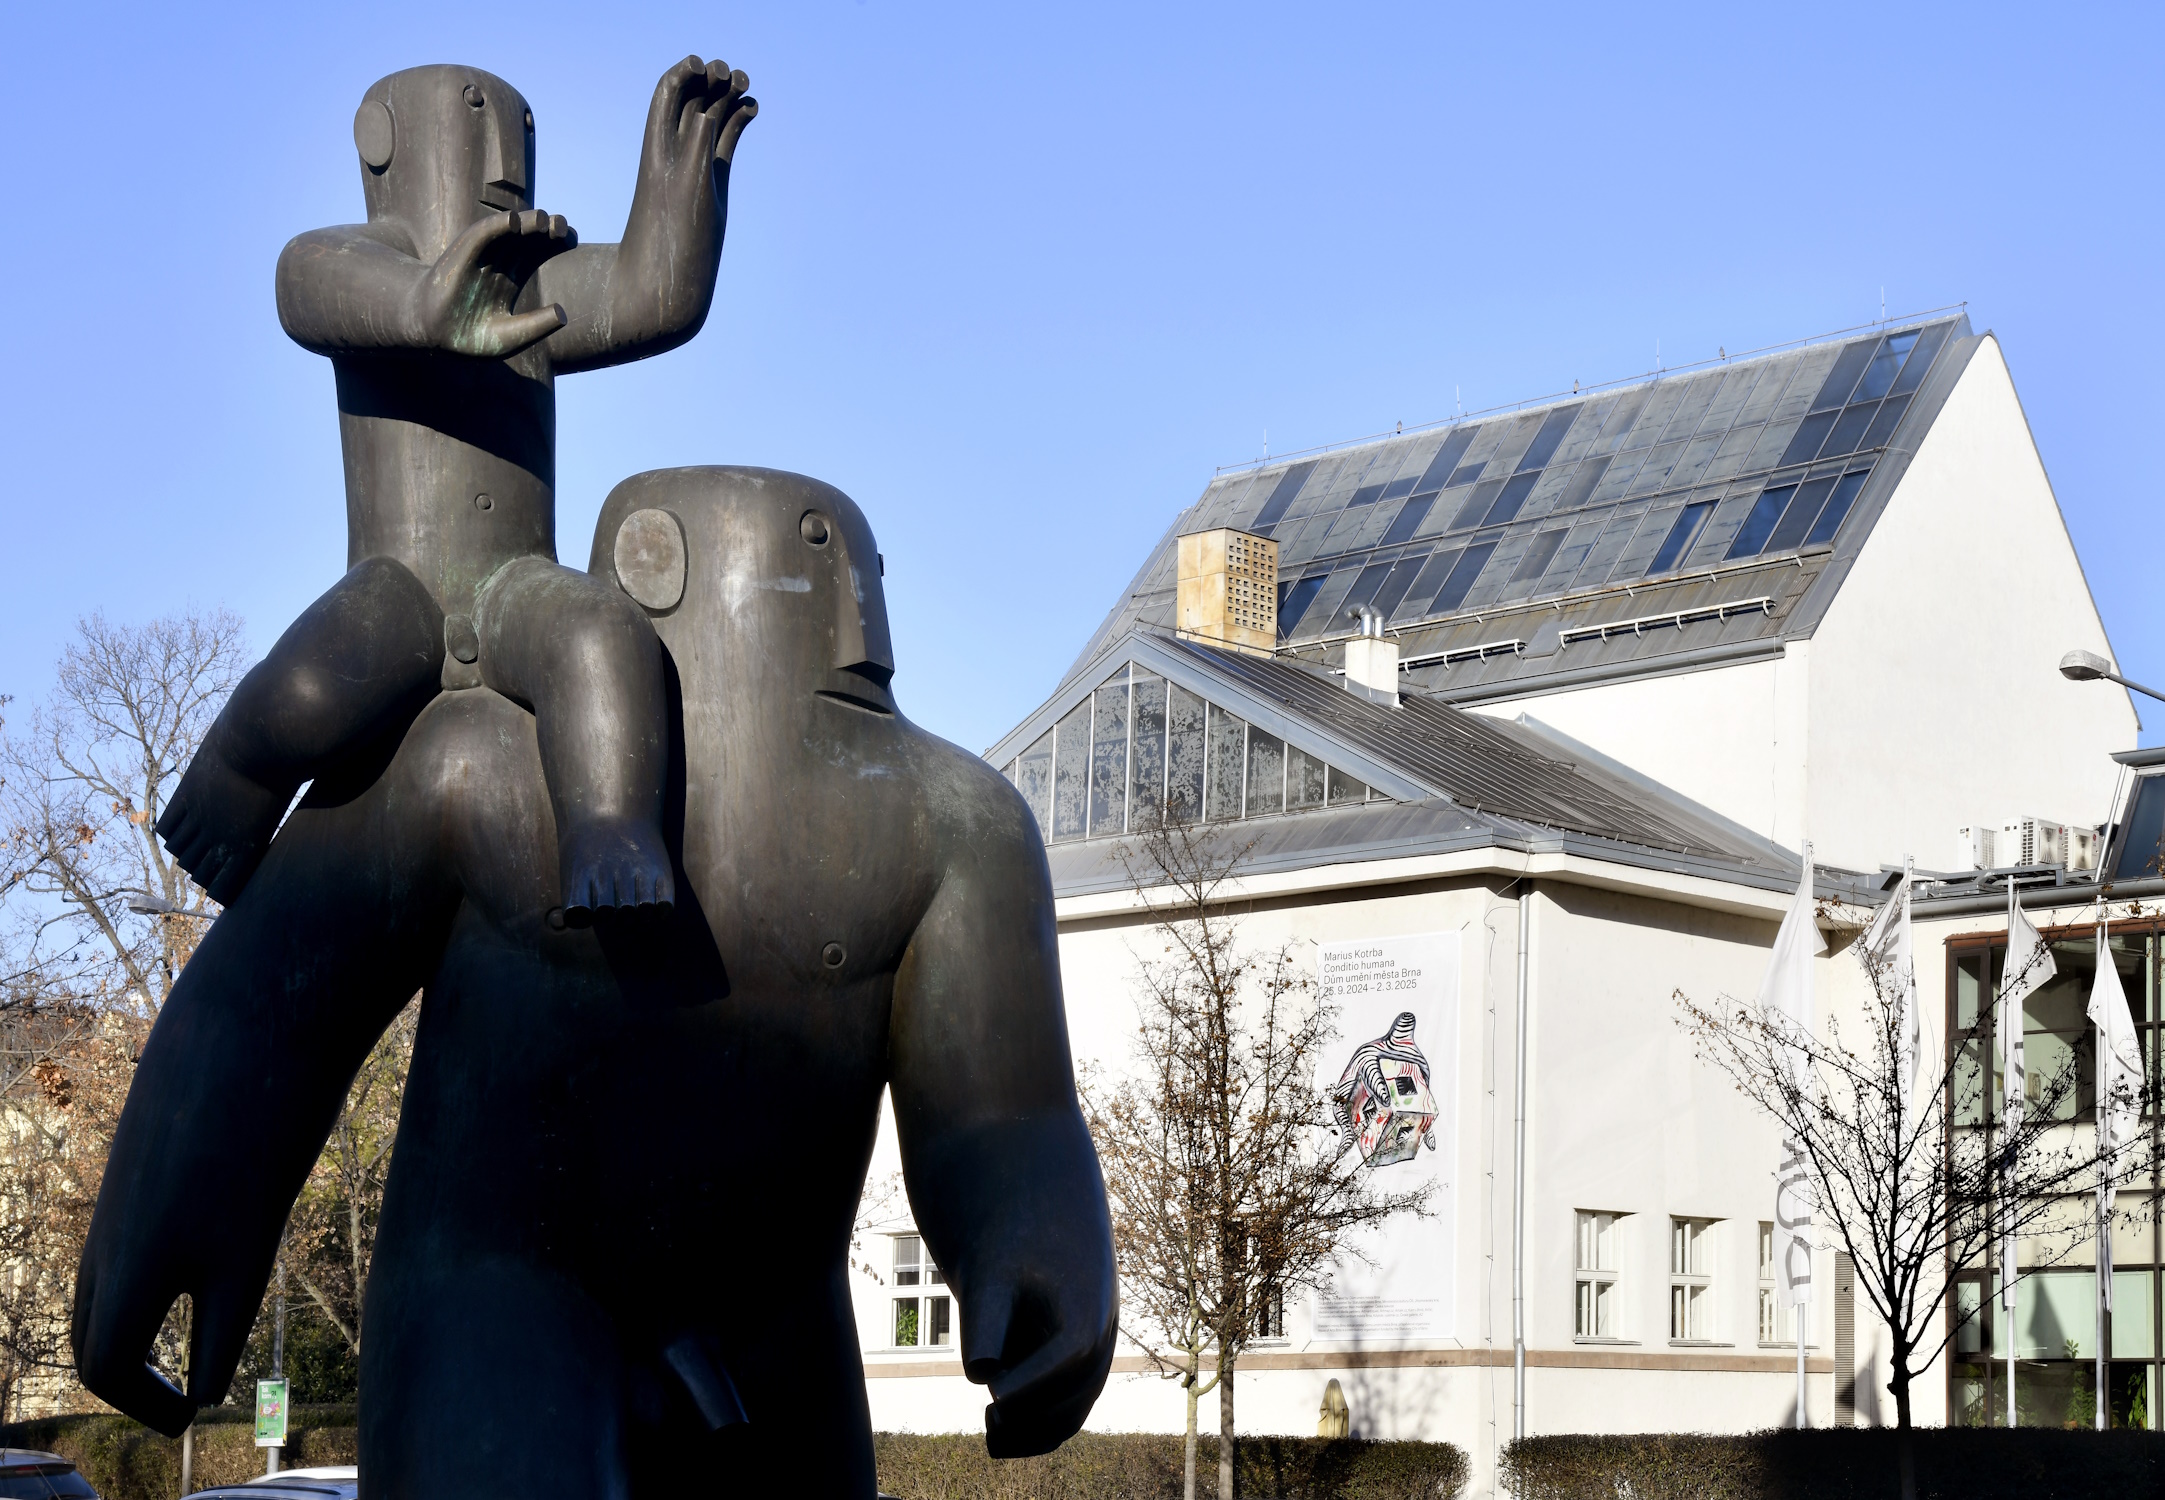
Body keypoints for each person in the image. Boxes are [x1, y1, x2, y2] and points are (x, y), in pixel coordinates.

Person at [157, 60, 756, 922]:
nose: (498, 152)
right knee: (308, 697)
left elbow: (651, 296)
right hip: (397, 583)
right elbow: (305, 290)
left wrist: (682, 192)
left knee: (603, 636)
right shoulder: (356, 255)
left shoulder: (536, 284)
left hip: (516, 580)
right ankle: (228, 787)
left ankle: (609, 832)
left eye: (515, 129)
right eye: (476, 120)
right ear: (383, 145)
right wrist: (425, 305)